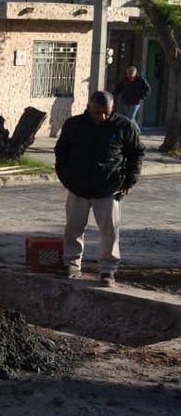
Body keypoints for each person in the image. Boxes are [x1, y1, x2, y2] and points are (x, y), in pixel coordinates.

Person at [54, 90, 144, 288]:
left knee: (109, 231)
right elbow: (61, 151)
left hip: (108, 187)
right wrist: (65, 176)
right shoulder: (74, 125)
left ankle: (108, 270)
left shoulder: (124, 126)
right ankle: (71, 265)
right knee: (73, 228)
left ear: (113, 109)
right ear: (89, 108)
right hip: (78, 186)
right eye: (97, 112)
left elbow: (136, 153)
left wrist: (129, 180)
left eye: (107, 112)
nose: (102, 117)